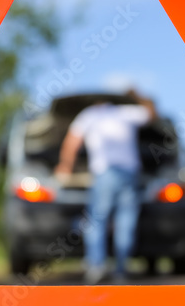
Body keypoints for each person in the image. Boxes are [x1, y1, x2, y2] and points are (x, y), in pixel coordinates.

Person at [56, 90, 156, 283]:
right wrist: (140, 95)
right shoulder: (125, 112)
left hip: (106, 173)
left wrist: (65, 166)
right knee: (125, 221)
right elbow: (151, 114)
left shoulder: (89, 115)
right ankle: (121, 269)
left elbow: (72, 142)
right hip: (130, 174)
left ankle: (96, 266)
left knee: (97, 219)